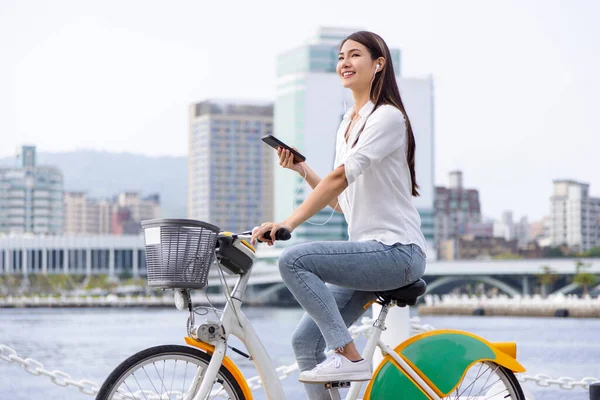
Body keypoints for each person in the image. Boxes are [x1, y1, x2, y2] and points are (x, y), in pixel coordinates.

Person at [251, 30, 427, 399]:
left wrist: (287, 223)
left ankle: (349, 356)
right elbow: (340, 197)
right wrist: (302, 170)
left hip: (398, 252)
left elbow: (339, 177)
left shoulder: (388, 118)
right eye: (340, 56)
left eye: (355, 55)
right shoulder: (348, 122)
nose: (344, 62)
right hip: (369, 254)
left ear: (378, 64)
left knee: (295, 259)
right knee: (304, 342)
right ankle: (345, 359)